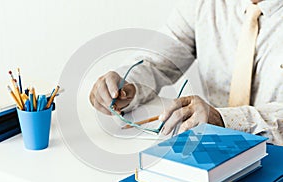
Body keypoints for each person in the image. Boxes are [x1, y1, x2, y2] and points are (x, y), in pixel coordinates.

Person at [89, 0, 283, 145]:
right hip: (212, 148)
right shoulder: (203, 4)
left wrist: (226, 120)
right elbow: (155, 62)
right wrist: (126, 85)